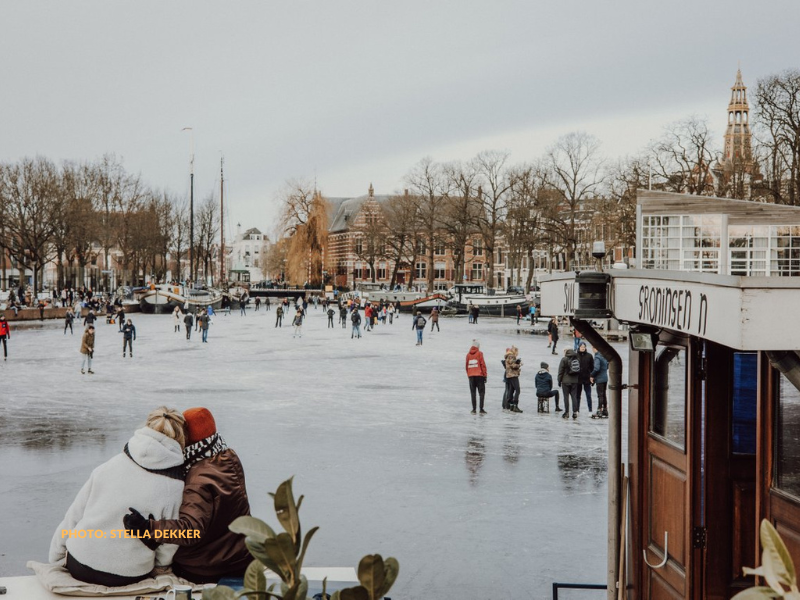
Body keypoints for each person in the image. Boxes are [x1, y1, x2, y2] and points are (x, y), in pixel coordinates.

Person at [50, 408, 186, 586]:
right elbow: (169, 541)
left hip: (80, 564)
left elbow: (73, 516)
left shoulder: (109, 466)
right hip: (128, 574)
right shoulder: (175, 486)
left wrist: (56, 557)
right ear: (181, 438)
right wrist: (160, 566)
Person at [125, 408, 252, 583]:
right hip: (241, 559)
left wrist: (149, 527)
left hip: (206, 567)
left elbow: (191, 530)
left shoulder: (198, 478)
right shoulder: (229, 457)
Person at [557, 348, 581, 419]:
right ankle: (575, 412)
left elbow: (560, 371)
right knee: (574, 396)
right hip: (574, 381)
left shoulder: (564, 359)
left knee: (566, 397)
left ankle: (567, 412)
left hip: (565, 381)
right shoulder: (577, 359)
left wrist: (559, 380)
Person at [465, 339, 487, 415]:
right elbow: (482, 365)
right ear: (478, 346)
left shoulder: (468, 355)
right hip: (479, 376)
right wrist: (485, 375)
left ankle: (474, 409)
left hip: (471, 376)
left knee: (473, 393)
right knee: (481, 393)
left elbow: (466, 366)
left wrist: (469, 375)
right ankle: (481, 409)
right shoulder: (480, 353)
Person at [591, 346, 610, 419]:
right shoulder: (604, 356)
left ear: (594, 348)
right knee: (604, 394)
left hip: (599, 378)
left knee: (600, 395)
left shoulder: (597, 357)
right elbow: (607, 365)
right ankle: (605, 410)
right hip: (605, 377)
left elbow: (596, 368)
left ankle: (599, 410)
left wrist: (592, 375)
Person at [504, 346, 523, 413]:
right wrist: (519, 364)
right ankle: (515, 405)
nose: (517, 353)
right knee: (518, 390)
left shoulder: (508, 356)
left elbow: (510, 364)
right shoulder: (512, 356)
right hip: (513, 375)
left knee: (511, 390)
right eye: (517, 352)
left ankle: (511, 405)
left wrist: (516, 362)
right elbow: (513, 366)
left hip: (509, 375)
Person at [577, 343, 594, 413]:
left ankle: (590, 410)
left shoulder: (589, 356)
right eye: (581, 347)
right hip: (578, 379)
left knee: (588, 395)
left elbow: (592, 367)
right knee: (577, 395)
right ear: (579, 347)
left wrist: (592, 377)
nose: (583, 348)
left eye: (584, 347)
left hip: (587, 378)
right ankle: (577, 410)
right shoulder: (576, 355)